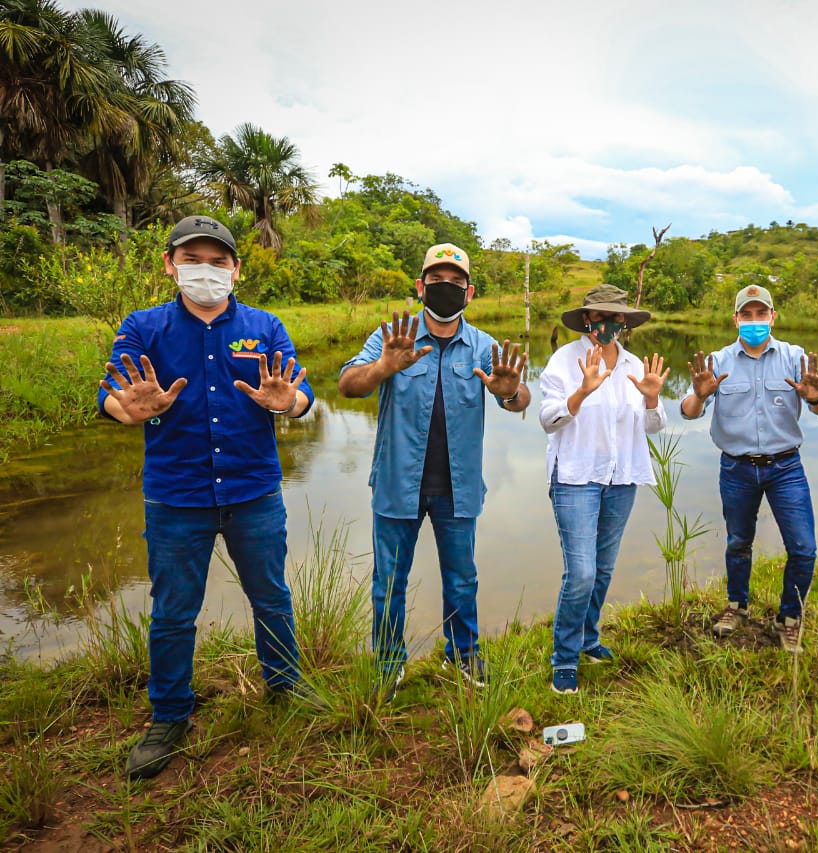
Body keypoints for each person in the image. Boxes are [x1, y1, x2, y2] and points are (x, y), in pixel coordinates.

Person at [98, 215, 316, 780]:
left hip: (253, 491)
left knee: (271, 597)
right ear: (170, 264)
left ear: (236, 268)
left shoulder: (264, 326)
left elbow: (301, 395)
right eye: (193, 259)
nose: (206, 271)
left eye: (218, 261)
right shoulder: (143, 327)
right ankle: (170, 714)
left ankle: (284, 690)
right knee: (173, 612)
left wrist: (286, 402)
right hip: (176, 496)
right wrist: (131, 409)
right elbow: (115, 396)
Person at [338, 243, 530, 695]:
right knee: (389, 582)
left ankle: (463, 655)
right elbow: (347, 385)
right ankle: (388, 663)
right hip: (396, 484)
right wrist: (385, 365)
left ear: (470, 292)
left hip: (457, 489)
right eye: (437, 281)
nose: (446, 289)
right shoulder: (391, 335)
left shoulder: (483, 345)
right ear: (421, 286)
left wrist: (510, 392)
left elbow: (517, 400)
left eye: (456, 283)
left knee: (462, 578)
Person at [681, 284, 818, 654]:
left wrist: (815, 396)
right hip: (736, 468)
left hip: (786, 467)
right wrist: (700, 394)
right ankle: (737, 606)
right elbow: (688, 411)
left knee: (804, 548)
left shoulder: (795, 357)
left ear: (772, 317)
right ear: (735, 319)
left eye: (760, 314)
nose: (753, 321)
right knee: (738, 542)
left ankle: (790, 618)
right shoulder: (718, 361)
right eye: (746, 315)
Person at [539, 285, 669, 694]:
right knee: (581, 572)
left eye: (616, 318)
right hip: (576, 477)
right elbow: (548, 419)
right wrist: (581, 392)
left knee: (604, 567)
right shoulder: (564, 361)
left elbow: (654, 426)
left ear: (625, 323)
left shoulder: (634, 364)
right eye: (600, 318)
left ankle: (588, 639)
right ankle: (564, 657)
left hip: (621, 478)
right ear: (587, 321)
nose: (607, 325)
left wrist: (651, 400)